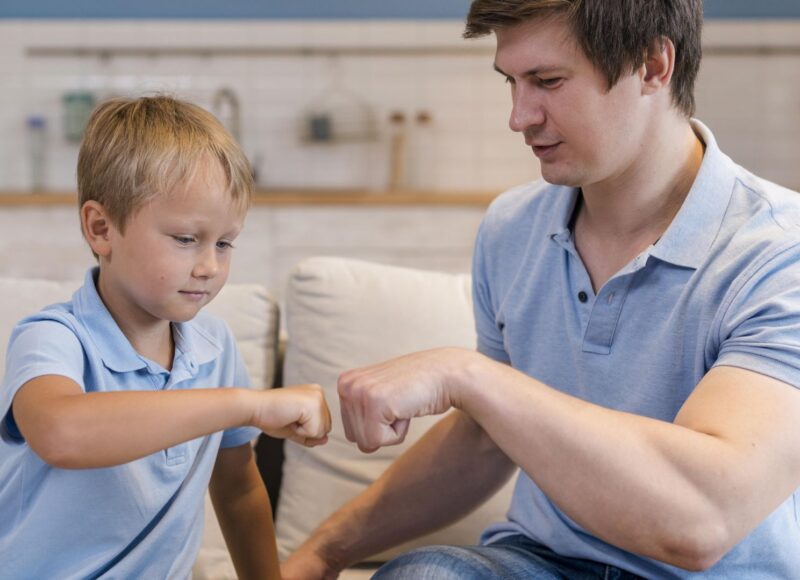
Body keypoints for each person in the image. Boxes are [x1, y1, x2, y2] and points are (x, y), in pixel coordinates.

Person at [281, 1, 800, 578]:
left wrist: (468, 375)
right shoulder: (512, 227)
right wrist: (324, 551)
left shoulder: (780, 252)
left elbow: (701, 522)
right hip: (540, 563)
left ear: (653, 65)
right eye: (512, 82)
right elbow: (487, 440)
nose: (519, 116)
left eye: (548, 81)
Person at [0, 96, 332, 579]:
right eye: (185, 239)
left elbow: (238, 489)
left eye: (224, 243)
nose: (209, 267)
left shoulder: (215, 347)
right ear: (101, 228)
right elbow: (60, 433)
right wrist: (248, 405)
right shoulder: (53, 338)